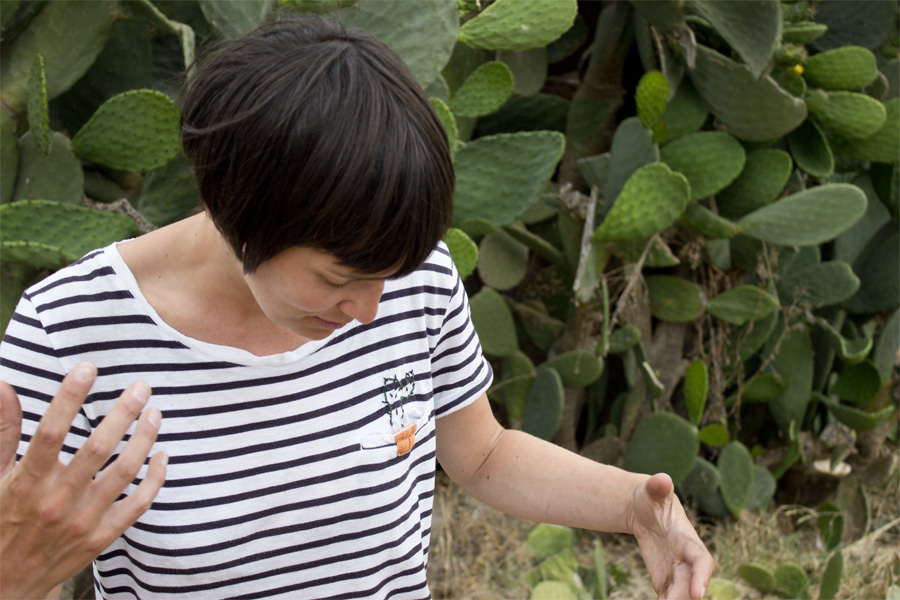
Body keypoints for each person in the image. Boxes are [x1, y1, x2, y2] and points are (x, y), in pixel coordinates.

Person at [0, 16, 714, 600]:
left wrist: (633, 508)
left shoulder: (412, 276)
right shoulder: (68, 334)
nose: (374, 312)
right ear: (232, 203)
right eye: (338, 277)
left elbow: (484, 454)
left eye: (389, 277)